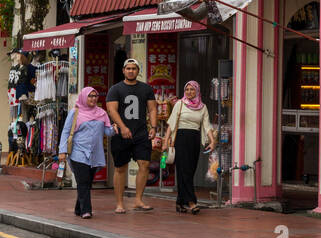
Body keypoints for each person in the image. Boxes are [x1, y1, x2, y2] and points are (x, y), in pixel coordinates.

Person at [105, 58, 158, 214]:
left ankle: (138, 200)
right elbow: (111, 110)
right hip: (121, 133)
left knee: (145, 164)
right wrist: (122, 127)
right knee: (121, 167)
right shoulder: (115, 89)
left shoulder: (146, 88)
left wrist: (154, 127)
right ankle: (120, 203)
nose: (131, 71)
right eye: (128, 68)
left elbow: (153, 109)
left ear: (138, 71)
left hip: (141, 132)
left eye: (134, 68)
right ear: (123, 71)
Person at [58, 87, 114, 219]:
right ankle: (86, 210)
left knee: (88, 182)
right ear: (84, 97)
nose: (93, 99)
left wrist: (114, 129)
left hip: (95, 153)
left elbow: (107, 132)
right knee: (83, 181)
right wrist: (62, 151)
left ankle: (78, 208)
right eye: (90, 96)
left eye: (95, 96)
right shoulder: (75, 112)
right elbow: (66, 131)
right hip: (78, 152)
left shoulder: (102, 113)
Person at [165, 81, 215, 214]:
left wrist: (212, 141)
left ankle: (180, 202)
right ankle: (192, 202)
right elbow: (171, 123)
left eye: (192, 89)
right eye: (186, 89)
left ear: (197, 91)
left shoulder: (203, 107)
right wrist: (165, 141)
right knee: (184, 170)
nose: (189, 92)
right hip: (181, 139)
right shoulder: (179, 104)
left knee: (189, 171)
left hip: (194, 140)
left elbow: (207, 126)